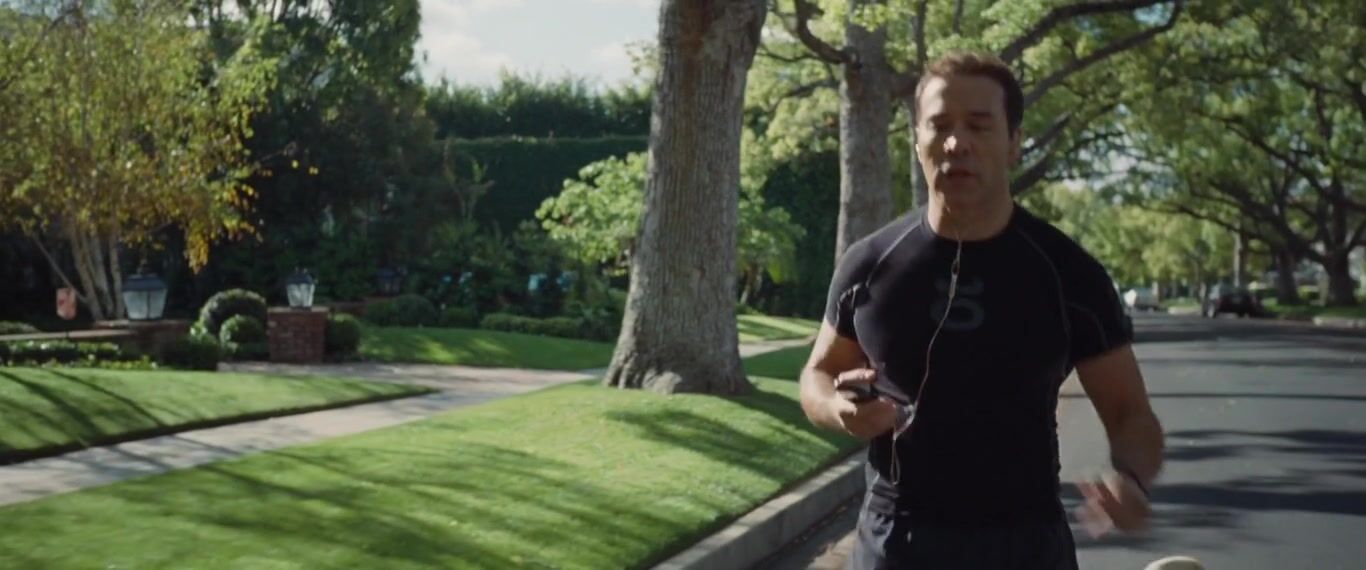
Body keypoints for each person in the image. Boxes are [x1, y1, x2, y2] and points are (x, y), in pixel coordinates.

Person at [798, 51, 1165, 569]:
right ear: (917, 141)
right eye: (940, 125)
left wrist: (1132, 479)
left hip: (1024, 543)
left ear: (1014, 142)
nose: (957, 143)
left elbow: (1130, 413)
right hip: (896, 539)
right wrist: (839, 408)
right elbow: (817, 374)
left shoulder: (1068, 274)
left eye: (978, 125)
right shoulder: (870, 264)